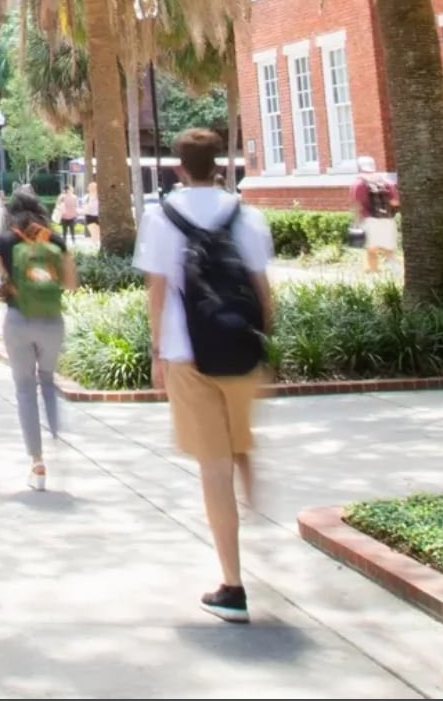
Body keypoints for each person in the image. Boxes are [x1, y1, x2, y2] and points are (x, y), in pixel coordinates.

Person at [134, 128, 275, 624]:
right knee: (237, 443)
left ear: (178, 166)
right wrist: (262, 346)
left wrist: (155, 351)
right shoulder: (248, 216)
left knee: (212, 470)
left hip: (185, 353)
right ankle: (253, 496)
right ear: (219, 163)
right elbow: (264, 294)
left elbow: (156, 291)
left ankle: (232, 584)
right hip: (240, 351)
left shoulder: (160, 217)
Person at [0, 190, 74, 491]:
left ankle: (37, 462)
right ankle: (56, 436)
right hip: (52, 321)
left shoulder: (2, 243)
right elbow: (71, 283)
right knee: (47, 380)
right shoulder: (55, 239)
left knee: (24, 389)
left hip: (18, 321)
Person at [350, 157, 400, 274]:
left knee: (372, 249)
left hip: (370, 219)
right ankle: (396, 271)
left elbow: (357, 205)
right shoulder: (386, 182)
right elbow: (395, 202)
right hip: (387, 218)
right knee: (389, 250)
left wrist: (356, 221)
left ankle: (373, 273)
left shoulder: (358, 183)